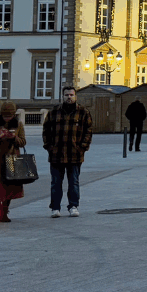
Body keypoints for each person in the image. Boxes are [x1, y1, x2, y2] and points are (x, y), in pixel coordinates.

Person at [44, 86, 93, 218]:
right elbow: (46, 130)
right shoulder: (54, 112)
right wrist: (49, 146)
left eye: (71, 95)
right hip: (56, 154)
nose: (69, 97)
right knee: (55, 182)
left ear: (75, 96)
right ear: (63, 96)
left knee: (74, 182)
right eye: (66, 95)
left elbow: (88, 130)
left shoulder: (83, 112)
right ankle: (55, 207)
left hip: (74, 154)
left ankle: (73, 206)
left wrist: (82, 147)